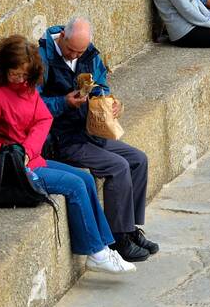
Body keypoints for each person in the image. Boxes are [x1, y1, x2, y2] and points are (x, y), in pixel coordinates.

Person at [0, 35, 135, 274]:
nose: (20, 79)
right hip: (8, 170)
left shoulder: (27, 88)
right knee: (75, 185)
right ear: (2, 67)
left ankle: (105, 247)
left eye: (25, 75)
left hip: (31, 159)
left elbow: (43, 118)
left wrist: (27, 151)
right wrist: (13, 159)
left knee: (86, 179)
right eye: (15, 74)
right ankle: (96, 252)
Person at [37, 17, 157, 263]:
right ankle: (117, 238)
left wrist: (111, 103)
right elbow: (32, 105)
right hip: (61, 139)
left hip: (90, 130)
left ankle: (129, 228)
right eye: (71, 50)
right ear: (62, 37)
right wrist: (63, 102)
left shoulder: (88, 53)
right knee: (117, 166)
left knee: (137, 159)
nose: (74, 56)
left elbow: (101, 85)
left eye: (80, 52)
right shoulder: (41, 58)